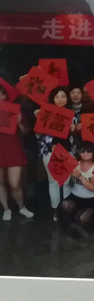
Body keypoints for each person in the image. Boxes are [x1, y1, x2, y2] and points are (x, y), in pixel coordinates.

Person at [38, 87, 75, 215]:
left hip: (67, 151)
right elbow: (39, 132)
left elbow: (73, 136)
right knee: (53, 182)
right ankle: (56, 210)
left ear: (67, 98)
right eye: (57, 96)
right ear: (52, 99)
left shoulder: (72, 115)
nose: (60, 99)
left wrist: (74, 128)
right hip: (50, 152)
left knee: (67, 182)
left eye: (63, 96)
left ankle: (67, 210)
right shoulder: (46, 113)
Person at [0, 85, 33, 221]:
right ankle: (6, 209)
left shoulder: (15, 109)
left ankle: (21, 207)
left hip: (13, 149)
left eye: (0, 94)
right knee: (0, 182)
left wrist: (19, 122)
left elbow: (26, 132)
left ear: (4, 96)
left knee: (15, 184)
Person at [59, 142, 94, 238]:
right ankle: (69, 228)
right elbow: (66, 182)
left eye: (89, 151)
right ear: (79, 153)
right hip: (75, 197)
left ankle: (90, 233)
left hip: (92, 199)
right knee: (64, 205)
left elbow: (93, 188)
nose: (86, 153)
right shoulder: (75, 165)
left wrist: (80, 177)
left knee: (83, 218)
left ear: (93, 152)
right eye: (83, 151)